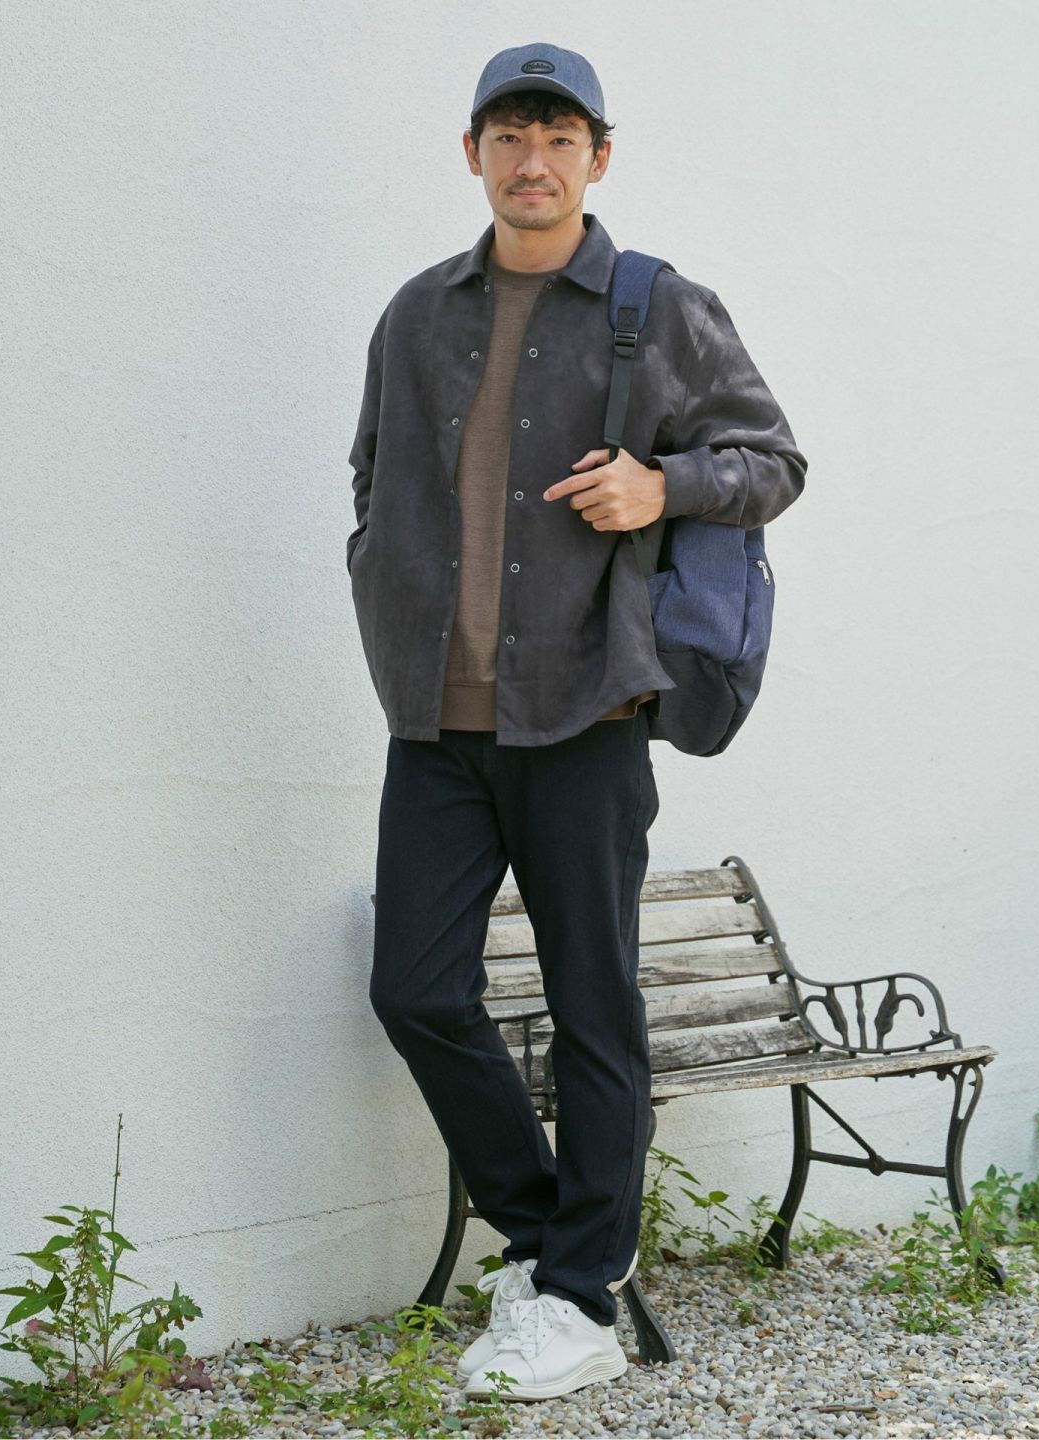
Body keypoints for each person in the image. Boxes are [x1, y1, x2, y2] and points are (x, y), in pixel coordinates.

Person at [347, 41, 807, 1401]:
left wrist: (664, 487)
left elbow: (774, 461)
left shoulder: (659, 307)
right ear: (474, 154)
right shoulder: (415, 315)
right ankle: (557, 1241)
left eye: (559, 137)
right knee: (415, 987)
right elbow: (374, 477)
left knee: (594, 1003)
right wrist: (380, 576)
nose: (532, 160)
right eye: (509, 136)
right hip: (437, 720)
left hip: (586, 708)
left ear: (598, 157)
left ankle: (575, 1297)